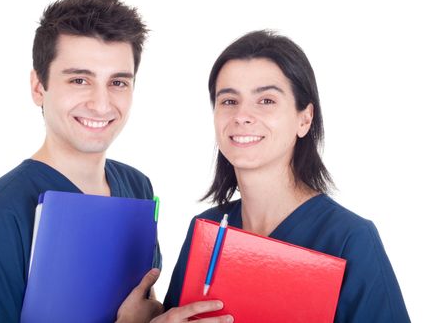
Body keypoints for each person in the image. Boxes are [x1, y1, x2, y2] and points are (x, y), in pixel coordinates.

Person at [163, 30, 411, 322]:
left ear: (304, 119)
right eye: (229, 101)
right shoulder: (207, 229)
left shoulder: (349, 239)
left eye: (266, 100)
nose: (242, 115)